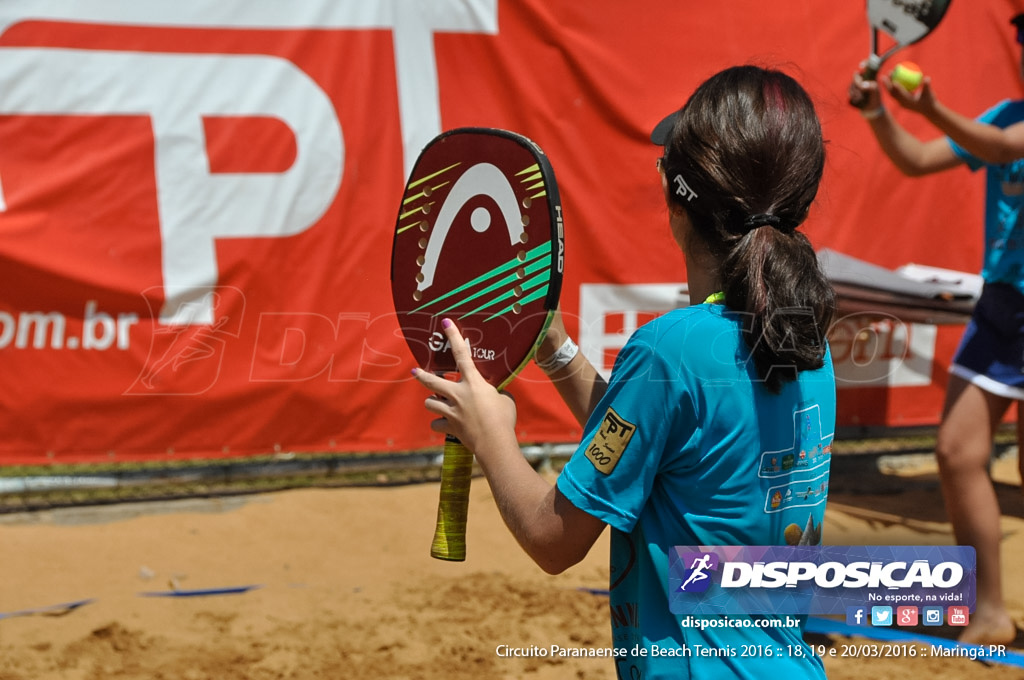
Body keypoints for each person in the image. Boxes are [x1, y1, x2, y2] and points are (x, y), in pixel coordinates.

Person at [414, 65, 837, 679]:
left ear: (675, 197)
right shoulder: (804, 336)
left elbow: (552, 538)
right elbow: (664, 454)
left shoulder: (670, 350)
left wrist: (491, 435)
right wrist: (554, 348)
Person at [848, 13, 1024, 647]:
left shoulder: (1005, 129)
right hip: (1003, 308)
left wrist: (932, 104)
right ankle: (991, 612)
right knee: (956, 453)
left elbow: (1004, 150)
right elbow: (919, 160)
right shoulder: (1005, 112)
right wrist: (878, 114)